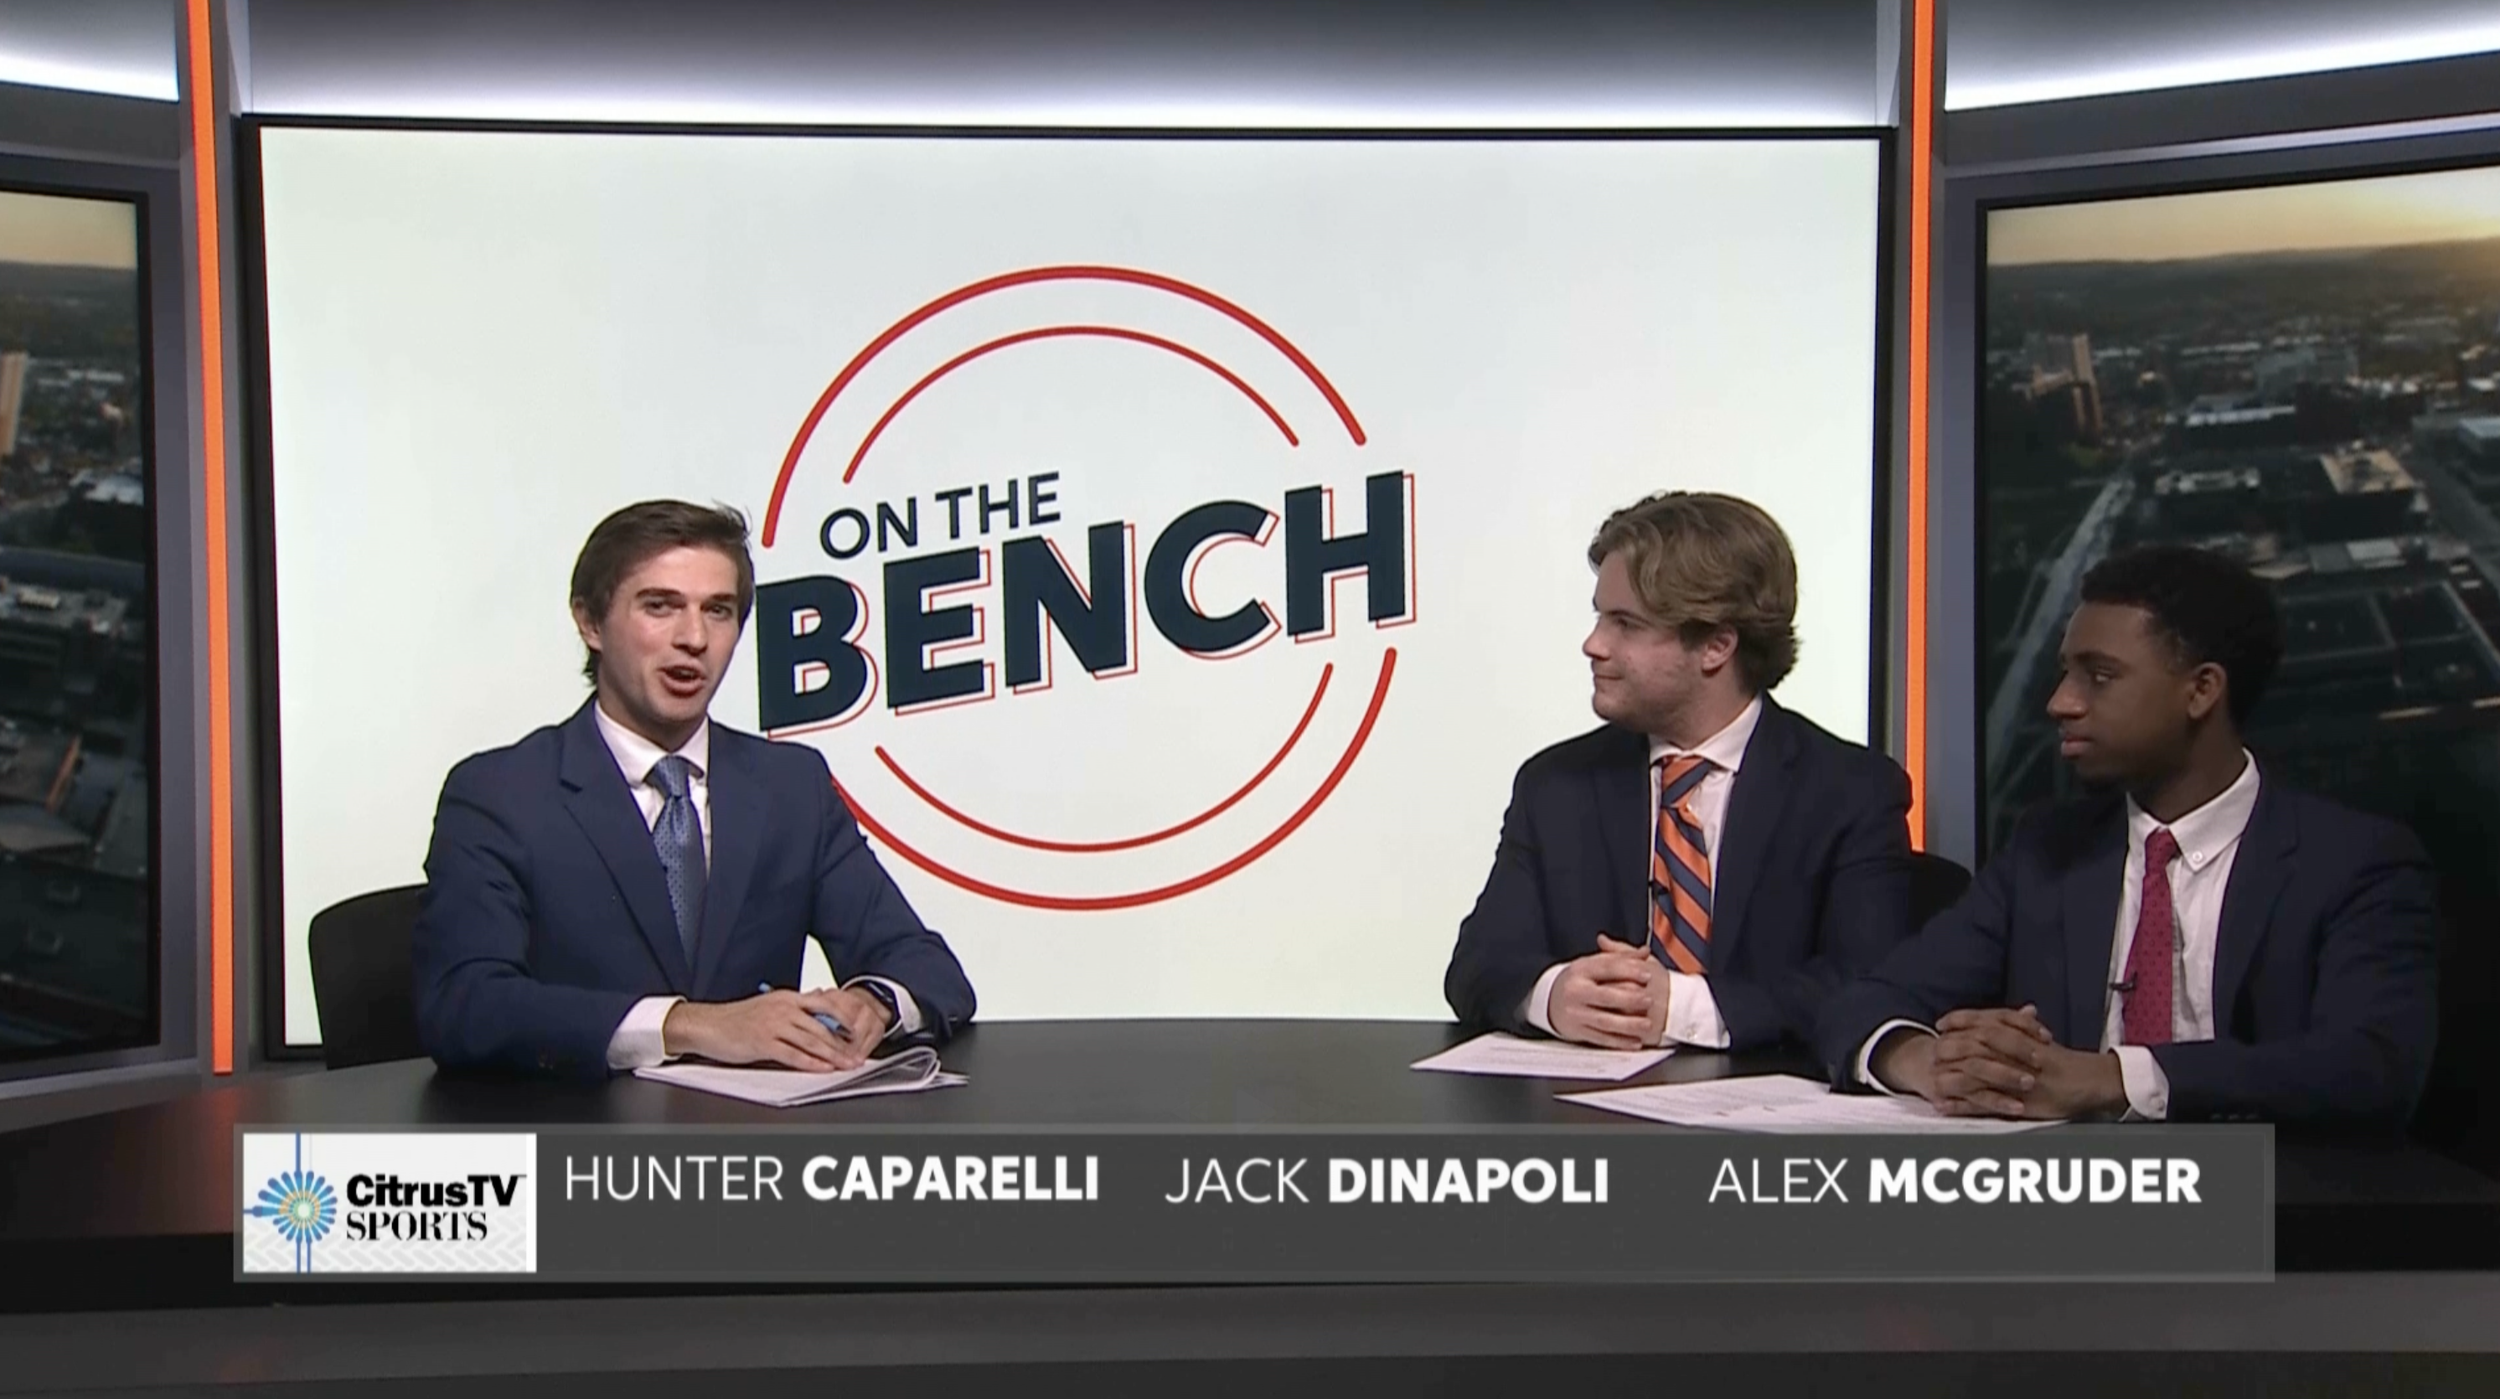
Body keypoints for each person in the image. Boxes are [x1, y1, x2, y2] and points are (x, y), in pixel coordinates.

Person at [1820, 544, 2438, 1127]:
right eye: (2066, 673)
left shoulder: (2355, 863)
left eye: (2100, 676)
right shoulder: (2046, 851)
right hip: (2071, 1210)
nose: (2061, 702)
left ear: (2201, 691)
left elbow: (2371, 1066)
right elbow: (1863, 1002)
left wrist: (2111, 1080)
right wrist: (1934, 1065)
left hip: (2269, 1213)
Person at [411, 500, 975, 1078]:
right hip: (582, 1146)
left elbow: (929, 968)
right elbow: (464, 1004)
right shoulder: (501, 793)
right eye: (660, 606)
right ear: (590, 622)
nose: (694, 638)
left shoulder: (791, 787)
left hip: (756, 1150)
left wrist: (872, 1003)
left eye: (719, 611)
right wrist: (691, 1025)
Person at [1444, 491, 1915, 1052]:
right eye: (1600, 617)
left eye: (1625, 624)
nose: (1594, 644)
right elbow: (1478, 964)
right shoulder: (1555, 786)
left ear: (1716, 646)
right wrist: (1551, 995)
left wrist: (1679, 1007)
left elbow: (1870, 984)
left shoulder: (1850, 793)